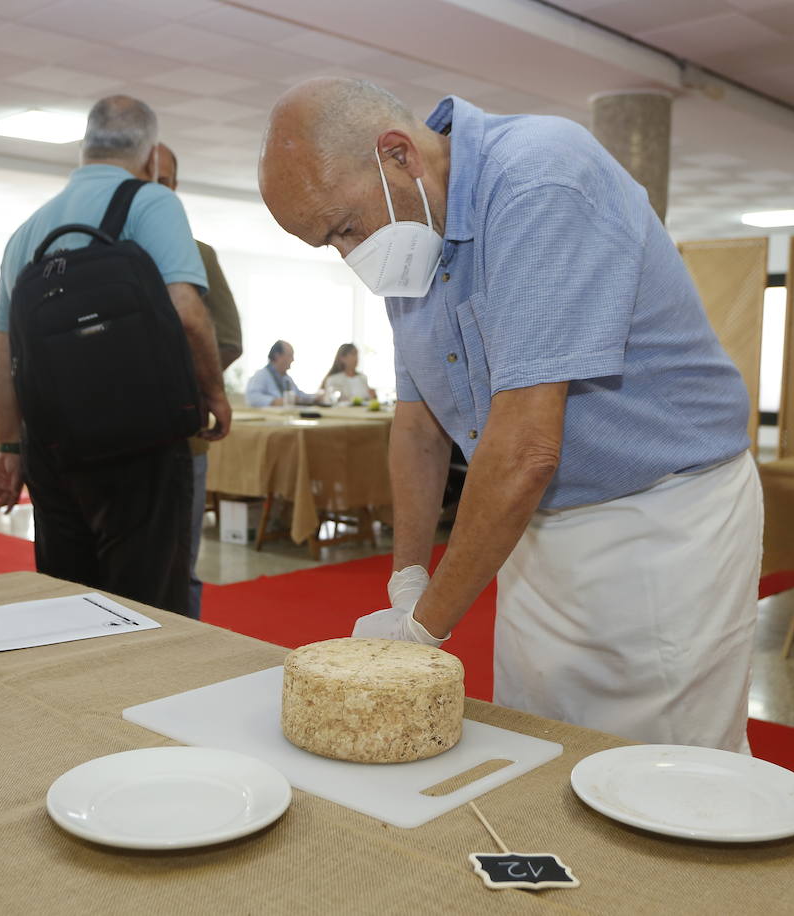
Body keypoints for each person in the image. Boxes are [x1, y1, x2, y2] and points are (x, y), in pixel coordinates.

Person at [259, 78, 760, 752]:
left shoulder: (539, 178)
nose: (350, 254)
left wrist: (421, 633)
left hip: (662, 518)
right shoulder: (411, 232)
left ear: (398, 155)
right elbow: (418, 425)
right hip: (533, 521)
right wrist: (408, 578)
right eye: (329, 244)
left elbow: (526, 449)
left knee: (662, 761)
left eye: (346, 228)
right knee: (541, 737)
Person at [0, 96, 231, 616]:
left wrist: (8, 446)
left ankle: (74, 698)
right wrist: (212, 392)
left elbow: (2, 351)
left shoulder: (26, 233)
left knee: (68, 599)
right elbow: (186, 312)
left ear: (83, 148)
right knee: (148, 605)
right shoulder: (151, 203)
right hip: (139, 442)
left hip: (51, 449)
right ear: (152, 156)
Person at [154, 142, 244, 618]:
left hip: (181, 438)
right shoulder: (94, 254)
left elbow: (227, 339)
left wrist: (192, 388)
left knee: (178, 567)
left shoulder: (197, 256)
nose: (154, 189)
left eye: (164, 181)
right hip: (102, 446)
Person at [246, 340, 318, 407]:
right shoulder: (261, 375)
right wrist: (274, 401)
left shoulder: (287, 379)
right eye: (290, 355)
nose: (293, 359)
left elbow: (299, 395)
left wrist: (316, 397)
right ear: (277, 356)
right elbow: (252, 398)